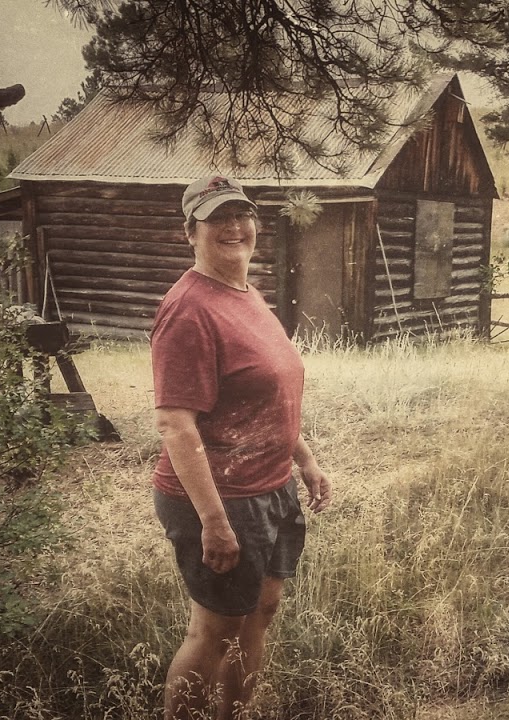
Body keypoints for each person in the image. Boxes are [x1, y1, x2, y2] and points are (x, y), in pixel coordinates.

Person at [150, 174, 331, 720]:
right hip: (222, 499)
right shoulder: (188, 310)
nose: (233, 227)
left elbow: (264, 395)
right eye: (217, 219)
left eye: (241, 214)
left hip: (271, 487)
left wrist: (305, 459)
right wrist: (214, 521)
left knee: (261, 612)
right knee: (215, 631)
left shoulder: (246, 295)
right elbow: (175, 425)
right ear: (190, 232)